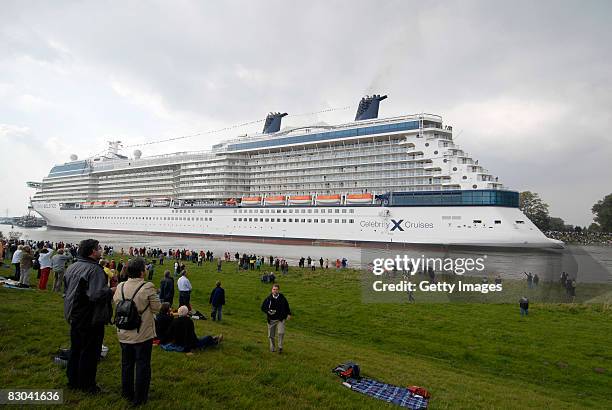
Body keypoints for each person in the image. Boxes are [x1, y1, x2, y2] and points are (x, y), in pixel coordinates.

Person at [63, 239, 113, 393]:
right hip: (90, 316)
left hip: (74, 314)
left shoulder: (73, 266)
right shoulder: (94, 270)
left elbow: (66, 289)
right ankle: (87, 385)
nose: (101, 250)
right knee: (90, 351)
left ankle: (73, 381)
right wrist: (111, 291)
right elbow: (96, 294)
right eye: (99, 248)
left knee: (76, 348)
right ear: (92, 252)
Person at [113, 256, 161, 406]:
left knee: (126, 364)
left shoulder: (120, 286)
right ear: (141, 272)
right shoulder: (147, 287)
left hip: (124, 331)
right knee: (142, 365)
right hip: (141, 333)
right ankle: (140, 398)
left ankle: (127, 393)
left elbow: (116, 302)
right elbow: (157, 308)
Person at [260, 284, 291, 353]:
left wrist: (289, 314)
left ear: (278, 290)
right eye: (274, 289)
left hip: (281, 318)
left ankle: (280, 347)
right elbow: (263, 307)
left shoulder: (282, 298)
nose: (275, 291)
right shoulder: (268, 298)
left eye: (276, 289)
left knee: (281, 332)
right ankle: (273, 348)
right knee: (271, 335)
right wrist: (268, 311)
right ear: (272, 290)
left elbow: (287, 306)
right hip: (271, 319)